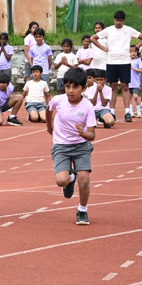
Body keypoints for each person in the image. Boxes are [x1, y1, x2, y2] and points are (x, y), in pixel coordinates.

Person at [46, 67, 97, 226]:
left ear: (84, 88)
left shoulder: (87, 107)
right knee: (61, 181)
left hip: (81, 146)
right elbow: (49, 110)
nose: (70, 90)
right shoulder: (58, 100)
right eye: (68, 86)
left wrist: (83, 133)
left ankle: (82, 210)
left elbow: (92, 135)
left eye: (75, 87)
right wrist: (49, 126)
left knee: (84, 180)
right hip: (61, 146)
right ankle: (70, 179)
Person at [91, 10, 142, 121]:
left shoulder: (128, 30)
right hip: (111, 61)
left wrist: (136, 47)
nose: (118, 23)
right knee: (113, 86)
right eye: (116, 20)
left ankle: (127, 112)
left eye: (120, 21)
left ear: (124, 21)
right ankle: (112, 112)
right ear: (113, 19)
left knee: (125, 86)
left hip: (125, 61)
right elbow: (93, 38)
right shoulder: (109, 30)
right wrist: (104, 48)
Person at [130, 47, 142, 118]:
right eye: (131, 52)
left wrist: (132, 68)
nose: (133, 53)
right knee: (128, 98)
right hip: (128, 82)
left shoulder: (138, 60)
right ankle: (131, 111)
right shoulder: (126, 61)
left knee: (135, 96)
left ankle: (138, 111)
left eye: (135, 52)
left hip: (135, 82)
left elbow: (141, 70)